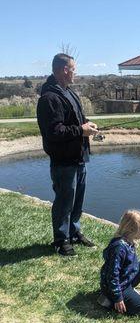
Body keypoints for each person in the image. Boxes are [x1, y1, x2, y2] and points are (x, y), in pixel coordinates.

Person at [37, 53, 98, 256]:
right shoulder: (49, 98)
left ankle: (74, 232)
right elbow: (54, 132)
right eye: (73, 69)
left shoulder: (69, 92)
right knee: (64, 202)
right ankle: (61, 241)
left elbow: (76, 119)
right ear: (64, 70)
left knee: (77, 200)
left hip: (79, 156)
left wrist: (87, 123)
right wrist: (81, 130)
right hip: (63, 160)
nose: (75, 73)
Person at [99, 209, 140, 316]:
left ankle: (128, 292)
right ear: (131, 229)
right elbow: (112, 275)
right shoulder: (119, 248)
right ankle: (110, 301)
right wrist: (118, 297)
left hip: (124, 280)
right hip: (115, 286)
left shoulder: (129, 241)